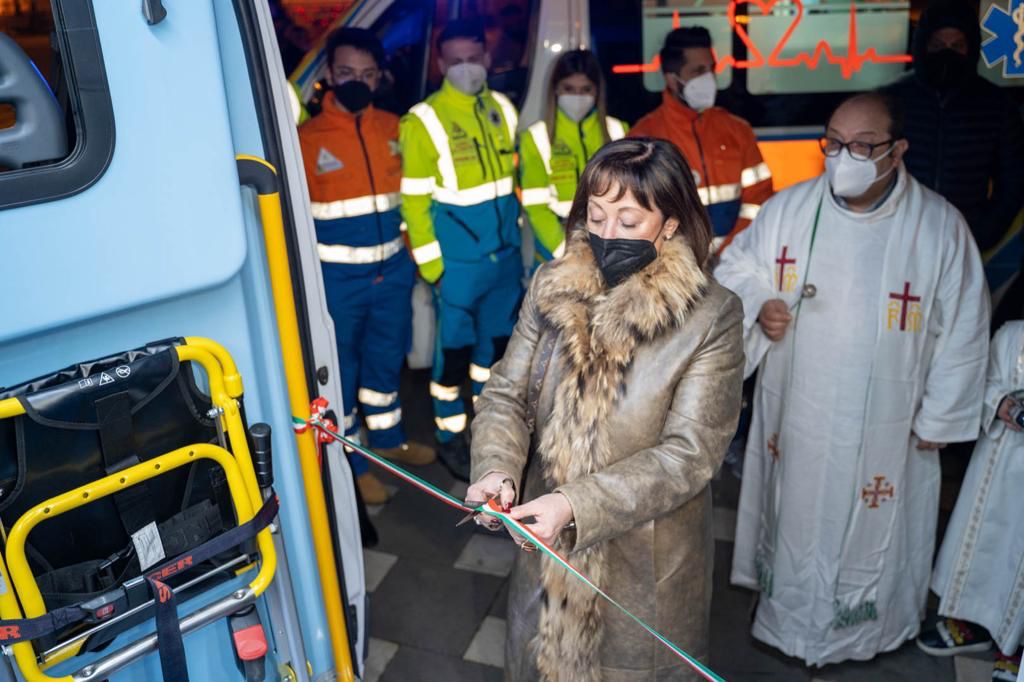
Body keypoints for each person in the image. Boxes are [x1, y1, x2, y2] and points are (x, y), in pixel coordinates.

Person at [717, 91, 991, 666]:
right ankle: (787, 624)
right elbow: (736, 268)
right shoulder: (788, 210)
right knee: (794, 519)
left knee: (872, 531)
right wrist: (762, 300)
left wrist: (942, 415)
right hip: (799, 413)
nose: (844, 156)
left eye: (862, 146)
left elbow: (965, 325)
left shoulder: (938, 227)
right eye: (835, 144)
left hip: (887, 426)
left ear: (897, 151)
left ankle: (867, 629)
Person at [467, 138, 745, 680]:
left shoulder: (712, 317)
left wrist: (573, 504)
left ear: (669, 224)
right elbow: (506, 394)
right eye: (596, 216)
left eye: (628, 220)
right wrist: (496, 470)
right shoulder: (553, 285)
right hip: (546, 553)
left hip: (644, 567)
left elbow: (688, 455)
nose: (606, 235)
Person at [298, 28, 435, 505]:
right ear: (330, 75)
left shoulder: (397, 128)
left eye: (367, 73)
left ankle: (388, 441)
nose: (356, 81)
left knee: (386, 362)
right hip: (338, 283)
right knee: (342, 373)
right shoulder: (303, 140)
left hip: (393, 275)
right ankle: (352, 462)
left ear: (380, 77)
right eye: (346, 72)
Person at [399, 18, 522, 481]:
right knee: (451, 356)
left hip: (503, 262)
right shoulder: (424, 120)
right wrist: (434, 269)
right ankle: (451, 437)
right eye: (456, 61)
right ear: (440, 64)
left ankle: (490, 433)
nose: (467, 68)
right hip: (457, 268)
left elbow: (512, 186)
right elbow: (413, 202)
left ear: (487, 59)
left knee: (495, 355)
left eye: (474, 58)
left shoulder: (503, 110)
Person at [917, 320, 1024, 682]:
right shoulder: (1011, 336)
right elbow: (981, 381)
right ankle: (972, 624)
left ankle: (1015, 650)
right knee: (985, 550)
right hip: (997, 464)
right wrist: (1001, 404)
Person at [884, 0, 1024, 256]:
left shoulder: (998, 107)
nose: (946, 54)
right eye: (937, 45)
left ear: (970, 49)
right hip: (894, 240)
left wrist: (980, 235)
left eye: (957, 46)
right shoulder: (891, 101)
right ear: (923, 46)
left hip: (963, 244)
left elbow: (1014, 183)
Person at [630, 26, 772, 250]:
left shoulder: (737, 130)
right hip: (675, 271)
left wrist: (732, 252)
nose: (709, 78)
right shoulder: (644, 137)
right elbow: (639, 213)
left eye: (711, 69)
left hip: (737, 261)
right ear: (672, 79)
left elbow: (759, 198)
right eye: (698, 71)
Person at [519, 49, 628, 263]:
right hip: (558, 245)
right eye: (569, 89)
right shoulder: (536, 137)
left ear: (597, 91)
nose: (577, 97)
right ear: (556, 89)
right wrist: (565, 252)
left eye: (586, 89)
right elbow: (536, 206)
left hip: (611, 242)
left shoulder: (618, 131)